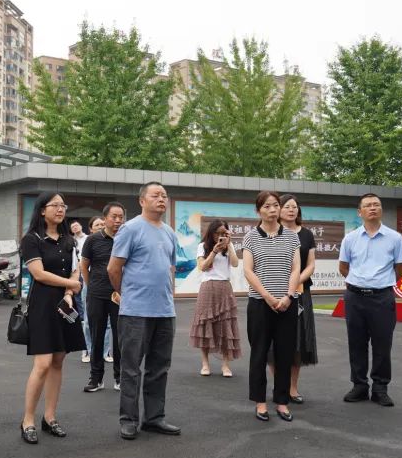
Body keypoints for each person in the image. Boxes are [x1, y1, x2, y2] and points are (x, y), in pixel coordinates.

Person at [108, 182, 181, 440]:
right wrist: (125, 293)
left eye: (164, 195)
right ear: (142, 201)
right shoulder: (130, 229)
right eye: (155, 195)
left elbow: (170, 269)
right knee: (131, 368)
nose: (161, 199)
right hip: (135, 311)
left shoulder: (170, 233)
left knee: (159, 367)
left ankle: (154, 418)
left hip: (165, 311)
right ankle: (128, 419)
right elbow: (113, 268)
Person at [18, 192, 87, 444]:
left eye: (62, 205)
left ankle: (50, 417)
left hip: (64, 303)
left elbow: (75, 270)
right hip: (43, 305)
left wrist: (69, 292)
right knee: (43, 363)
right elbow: (38, 274)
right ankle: (28, 420)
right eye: (54, 205)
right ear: (42, 210)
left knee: (58, 360)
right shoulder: (32, 239)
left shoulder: (69, 240)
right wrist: (71, 284)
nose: (60, 209)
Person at [338, 193, 402, 407]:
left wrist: (379, 282)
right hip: (355, 297)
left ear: (381, 210)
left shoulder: (395, 238)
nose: (372, 208)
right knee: (356, 343)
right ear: (360, 212)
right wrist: (361, 281)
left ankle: (380, 388)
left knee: (382, 344)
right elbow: (343, 267)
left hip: (382, 298)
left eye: (376, 204)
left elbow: (400, 269)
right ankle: (359, 385)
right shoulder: (350, 238)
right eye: (367, 205)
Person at [242, 192, 301, 422]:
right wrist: (267, 297)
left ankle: (282, 402)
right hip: (260, 304)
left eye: (276, 205)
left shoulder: (292, 237)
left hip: (287, 304)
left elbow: (295, 269)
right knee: (259, 353)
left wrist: (288, 296)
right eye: (267, 206)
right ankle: (260, 402)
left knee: (285, 354)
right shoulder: (250, 237)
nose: (273, 209)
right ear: (258, 210)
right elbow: (248, 271)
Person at [278, 194, 318, 401]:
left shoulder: (307, 234)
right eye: (287, 206)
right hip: (275, 291)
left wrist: (294, 283)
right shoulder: (272, 232)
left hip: (301, 291)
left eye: (294, 207)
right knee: (274, 341)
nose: (291, 210)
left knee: (298, 341)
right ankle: (279, 386)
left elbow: (310, 265)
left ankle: (293, 388)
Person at [190, 219, 240, 377]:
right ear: (211, 233)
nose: (220, 236)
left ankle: (226, 365)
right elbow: (203, 267)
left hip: (225, 287)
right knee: (205, 325)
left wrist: (229, 245)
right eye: (217, 233)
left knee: (226, 326)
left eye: (224, 233)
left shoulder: (229, 246)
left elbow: (235, 264)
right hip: (208, 287)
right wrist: (214, 251)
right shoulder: (202, 246)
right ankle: (205, 364)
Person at [81, 207, 123, 391]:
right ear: (105, 218)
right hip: (96, 294)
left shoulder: (126, 238)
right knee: (96, 335)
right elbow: (84, 265)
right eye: (114, 217)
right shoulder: (92, 240)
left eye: (121, 217)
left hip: (119, 294)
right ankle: (96, 378)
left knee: (120, 337)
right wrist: (91, 286)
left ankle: (120, 378)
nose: (118, 220)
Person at [70, 219, 92, 364]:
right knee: (77, 296)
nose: (75, 228)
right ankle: (81, 316)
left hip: (87, 270)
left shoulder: (88, 238)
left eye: (76, 225)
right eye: (72, 227)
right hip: (76, 270)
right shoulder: (72, 241)